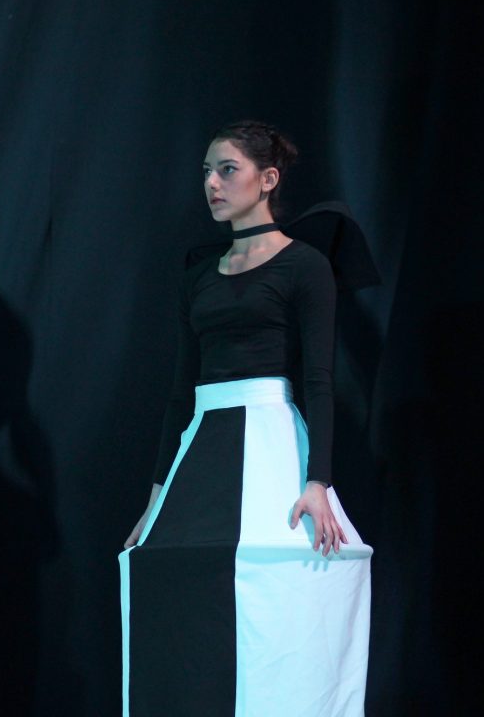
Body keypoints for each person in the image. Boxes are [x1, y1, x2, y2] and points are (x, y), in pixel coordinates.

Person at [118, 120, 372, 717]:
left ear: (268, 178)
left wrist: (318, 480)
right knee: (182, 598)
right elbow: (180, 393)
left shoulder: (304, 266)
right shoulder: (198, 276)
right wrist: (156, 497)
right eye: (206, 172)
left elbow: (319, 380)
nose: (212, 183)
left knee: (285, 598)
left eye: (227, 169)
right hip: (202, 446)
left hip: (272, 438)